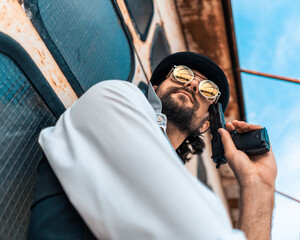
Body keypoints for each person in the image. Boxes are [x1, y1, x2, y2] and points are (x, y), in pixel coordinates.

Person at [28, 52, 277, 240]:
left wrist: (258, 186)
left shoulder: (181, 184)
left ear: (205, 124)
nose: (192, 85)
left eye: (207, 90)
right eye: (182, 74)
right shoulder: (115, 97)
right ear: (155, 88)